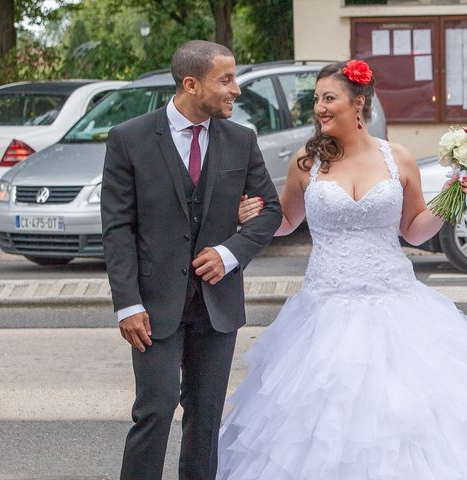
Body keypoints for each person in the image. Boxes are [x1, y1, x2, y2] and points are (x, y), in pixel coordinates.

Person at [219, 60, 467, 479]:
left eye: (329, 98)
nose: (320, 108)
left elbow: (415, 231)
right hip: (324, 308)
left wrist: (453, 195)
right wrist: (252, 215)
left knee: (410, 420)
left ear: (358, 103)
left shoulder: (396, 158)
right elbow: (287, 222)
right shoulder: (306, 162)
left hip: (396, 305)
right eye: (316, 100)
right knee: (321, 421)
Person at [101, 40, 281, 480]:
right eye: (226, 80)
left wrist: (229, 252)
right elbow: (117, 228)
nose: (236, 89)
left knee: (205, 418)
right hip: (153, 305)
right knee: (155, 411)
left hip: (216, 306)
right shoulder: (130, 139)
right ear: (190, 83)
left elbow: (270, 211)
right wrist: (128, 303)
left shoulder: (241, 140)